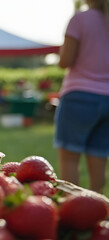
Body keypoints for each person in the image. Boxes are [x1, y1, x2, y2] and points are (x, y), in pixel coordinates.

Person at [54, 0, 109, 193]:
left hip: (79, 96)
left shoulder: (80, 20)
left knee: (70, 160)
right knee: (99, 162)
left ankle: (74, 212)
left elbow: (65, 60)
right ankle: (98, 213)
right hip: (107, 99)